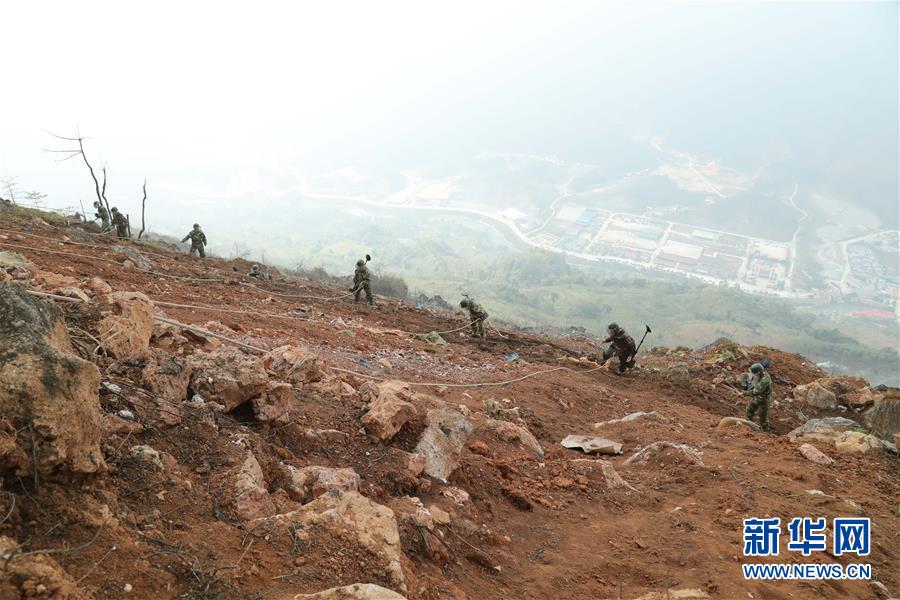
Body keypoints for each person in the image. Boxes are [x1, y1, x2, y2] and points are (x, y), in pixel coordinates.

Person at [744, 363, 773, 431]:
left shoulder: (765, 380)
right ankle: (748, 421)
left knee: (763, 417)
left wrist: (744, 393)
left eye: (753, 373)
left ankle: (766, 432)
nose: (752, 374)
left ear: (758, 372)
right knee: (750, 409)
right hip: (757, 397)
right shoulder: (759, 375)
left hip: (764, 400)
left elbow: (756, 391)